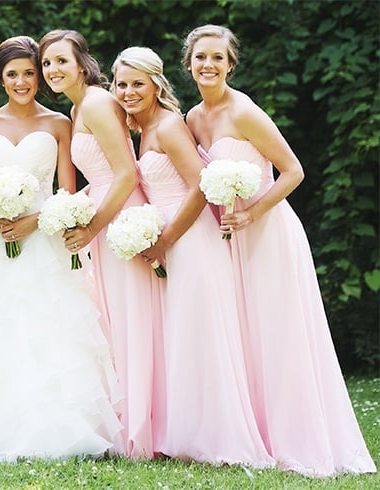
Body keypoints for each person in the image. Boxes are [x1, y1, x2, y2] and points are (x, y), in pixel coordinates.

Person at [183, 24, 376, 476]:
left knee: (279, 332)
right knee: (247, 336)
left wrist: (252, 213)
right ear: (188, 64)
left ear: (230, 64)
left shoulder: (244, 112)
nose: (207, 65)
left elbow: (293, 171)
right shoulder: (192, 118)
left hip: (267, 231)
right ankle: (258, 434)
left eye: (217, 57)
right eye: (200, 57)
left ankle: (299, 438)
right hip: (229, 235)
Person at [0, 35, 122, 463]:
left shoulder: (58, 123)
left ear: (39, 75)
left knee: (48, 329)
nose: (22, 81)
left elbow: (68, 191)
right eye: (12, 74)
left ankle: (59, 425)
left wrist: (35, 220)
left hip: (43, 238)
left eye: (29, 73)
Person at [111, 46, 273, 468]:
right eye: (122, 84)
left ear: (156, 84)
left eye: (137, 84)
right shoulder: (140, 127)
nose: (128, 91)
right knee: (180, 336)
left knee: (203, 335)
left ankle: (222, 436)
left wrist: (165, 239)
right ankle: (185, 431)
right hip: (167, 235)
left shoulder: (166, 126)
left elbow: (200, 187)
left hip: (191, 238)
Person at [39, 30, 159, 459]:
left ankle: (143, 428)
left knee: (131, 319)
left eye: (60, 61)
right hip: (104, 209)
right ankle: (124, 422)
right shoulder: (77, 107)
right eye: (47, 63)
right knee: (114, 321)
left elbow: (126, 173)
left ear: (81, 63)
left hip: (120, 212)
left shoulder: (95, 102)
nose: (52, 70)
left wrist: (92, 230)